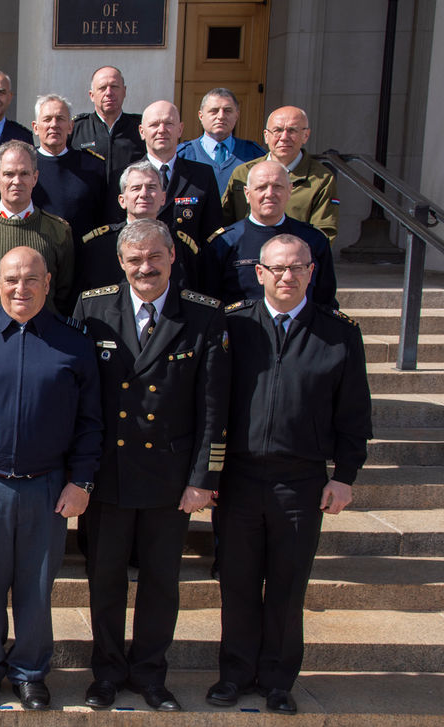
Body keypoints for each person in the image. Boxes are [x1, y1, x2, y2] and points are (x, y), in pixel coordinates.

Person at [209, 234, 371, 714]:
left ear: (311, 272)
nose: (287, 276)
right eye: (277, 268)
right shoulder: (233, 325)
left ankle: (278, 680)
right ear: (259, 272)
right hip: (237, 478)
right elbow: (211, 405)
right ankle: (234, 675)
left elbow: (355, 413)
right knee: (237, 582)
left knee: (287, 584)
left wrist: (345, 475)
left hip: (300, 481)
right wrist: (209, 475)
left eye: (297, 267)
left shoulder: (339, 333)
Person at [72, 219, 230, 712]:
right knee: (106, 579)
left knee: (161, 583)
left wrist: (203, 480)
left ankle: (150, 673)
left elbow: (214, 408)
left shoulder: (203, 316)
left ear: (172, 258)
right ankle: (106, 671)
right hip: (108, 476)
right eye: (135, 259)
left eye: (154, 257)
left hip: (169, 477)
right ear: (121, 263)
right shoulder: (93, 307)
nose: (145, 267)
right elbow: (81, 400)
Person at [0, 245, 102, 711]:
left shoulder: (74, 341)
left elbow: (91, 421)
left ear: (48, 283)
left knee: (36, 586)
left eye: (31, 279)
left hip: (47, 485)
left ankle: (30, 671)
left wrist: (81, 481)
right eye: (11, 279)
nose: (20, 288)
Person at [0, 141, 75, 315]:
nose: (17, 181)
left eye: (24, 173)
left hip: (43, 336)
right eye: (9, 174)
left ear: (35, 178)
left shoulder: (58, 231)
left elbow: (64, 294)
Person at [205, 160, 337, 306]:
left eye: (278, 187)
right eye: (261, 187)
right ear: (247, 194)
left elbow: (326, 299)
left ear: (289, 191)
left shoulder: (313, 240)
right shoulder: (225, 243)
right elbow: (209, 301)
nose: (270, 194)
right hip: (239, 327)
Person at [77, 160, 205, 295]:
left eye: (151, 187)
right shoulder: (97, 246)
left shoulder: (181, 246)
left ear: (163, 197)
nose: (144, 194)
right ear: (122, 200)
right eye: (136, 188)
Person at [222, 105, 339, 241]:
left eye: (292, 130)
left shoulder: (321, 179)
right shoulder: (243, 173)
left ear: (305, 135)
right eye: (277, 130)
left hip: (293, 260)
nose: (284, 137)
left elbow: (323, 233)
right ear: (266, 136)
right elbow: (225, 223)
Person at [138, 101, 223, 250]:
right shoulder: (126, 175)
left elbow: (212, 234)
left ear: (180, 129)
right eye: (154, 125)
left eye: (169, 123)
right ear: (142, 131)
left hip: (188, 268)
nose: (162, 130)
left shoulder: (203, 175)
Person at [30, 93, 110, 241]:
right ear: (35, 127)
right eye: (47, 119)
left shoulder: (93, 166)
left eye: (60, 119)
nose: (54, 125)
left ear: (70, 126)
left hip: (82, 254)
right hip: (37, 252)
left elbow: (102, 215)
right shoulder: (25, 164)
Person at [175, 88, 266, 195]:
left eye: (227, 110)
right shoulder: (182, 155)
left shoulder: (254, 155)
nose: (221, 116)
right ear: (201, 116)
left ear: (236, 115)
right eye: (214, 111)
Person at [71, 66, 145, 186]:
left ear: (124, 91)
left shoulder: (140, 128)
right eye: (102, 88)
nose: (109, 93)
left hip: (127, 203)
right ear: (91, 95)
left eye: (114, 87)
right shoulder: (76, 129)